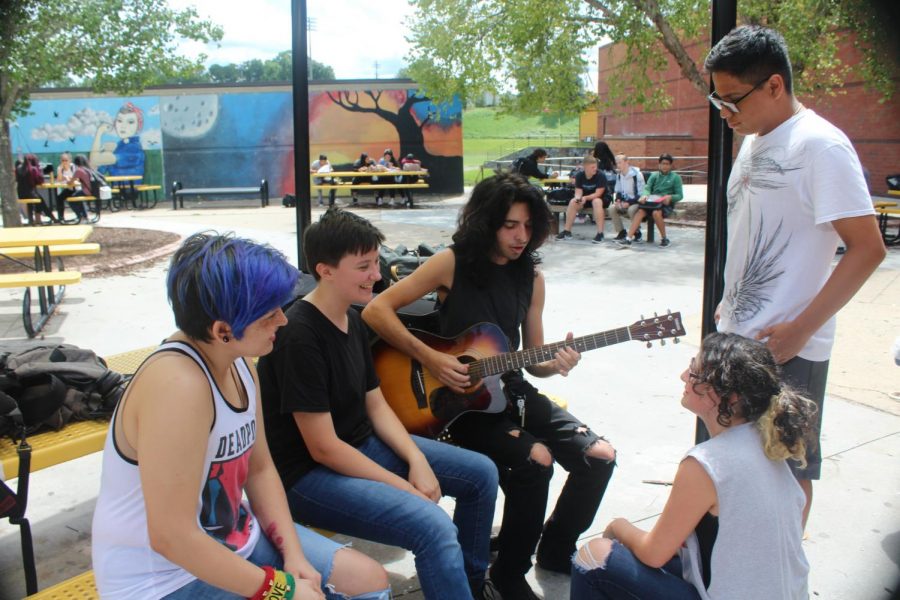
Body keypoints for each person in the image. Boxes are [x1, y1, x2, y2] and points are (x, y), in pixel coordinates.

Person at [91, 232, 390, 600]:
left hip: (235, 541)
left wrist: (293, 554)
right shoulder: (177, 386)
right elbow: (172, 536)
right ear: (222, 330)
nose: (283, 320)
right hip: (164, 580)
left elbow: (260, 470)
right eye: (269, 314)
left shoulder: (240, 365)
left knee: (369, 582)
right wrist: (281, 590)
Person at [363, 173, 617, 600]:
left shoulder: (532, 279)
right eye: (510, 226)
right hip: (458, 401)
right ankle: (508, 573)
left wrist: (558, 363)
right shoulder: (452, 262)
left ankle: (554, 549)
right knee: (536, 460)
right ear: (487, 222)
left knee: (599, 456)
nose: (521, 237)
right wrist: (432, 359)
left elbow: (535, 360)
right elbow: (376, 310)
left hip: (511, 388)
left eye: (529, 226)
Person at [257, 208, 500, 600]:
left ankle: (468, 585)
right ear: (326, 270)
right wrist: (404, 486)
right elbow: (323, 447)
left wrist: (417, 461)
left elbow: (376, 405)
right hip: (305, 475)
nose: (377, 274)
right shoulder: (299, 335)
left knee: (482, 474)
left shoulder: (353, 320)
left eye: (376, 262)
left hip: (361, 447)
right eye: (364, 266)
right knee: (432, 526)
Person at [705, 25, 886, 526]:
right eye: (717, 99)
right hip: (737, 339)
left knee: (786, 476)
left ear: (775, 86)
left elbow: (867, 248)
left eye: (734, 100)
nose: (726, 113)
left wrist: (801, 330)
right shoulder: (754, 141)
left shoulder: (821, 146)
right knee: (735, 474)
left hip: (788, 348)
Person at [570, 333, 814, 600]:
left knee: (594, 556)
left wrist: (618, 526)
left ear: (729, 398)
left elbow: (654, 553)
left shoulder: (706, 463)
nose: (684, 376)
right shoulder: (773, 439)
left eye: (696, 374)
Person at [618, 153, 682, 248]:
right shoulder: (654, 175)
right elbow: (647, 188)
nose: (664, 166)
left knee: (656, 213)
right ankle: (628, 238)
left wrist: (670, 197)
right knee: (640, 211)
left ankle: (664, 239)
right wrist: (645, 196)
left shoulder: (676, 177)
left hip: (665, 203)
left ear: (671, 165)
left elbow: (680, 195)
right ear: (659, 164)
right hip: (652, 202)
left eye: (667, 164)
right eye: (663, 163)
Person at [555, 156, 608, 243]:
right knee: (573, 201)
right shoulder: (579, 175)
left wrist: (585, 198)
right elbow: (578, 192)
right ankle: (567, 231)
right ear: (585, 167)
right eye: (592, 167)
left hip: (600, 199)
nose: (595, 169)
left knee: (596, 202)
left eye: (596, 166)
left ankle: (600, 233)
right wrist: (578, 198)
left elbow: (598, 194)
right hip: (585, 199)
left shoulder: (600, 175)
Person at [90, 100, 146, 179]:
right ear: (115, 123)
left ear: (138, 126)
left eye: (130, 122)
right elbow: (96, 168)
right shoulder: (120, 146)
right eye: (119, 121)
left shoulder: (134, 148)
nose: (123, 126)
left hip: (129, 190)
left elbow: (94, 160)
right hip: (115, 189)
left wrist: (99, 132)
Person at [607, 155, 645, 241]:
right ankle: (621, 232)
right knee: (612, 208)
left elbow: (641, 193)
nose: (618, 165)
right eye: (616, 163)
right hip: (624, 201)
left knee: (631, 210)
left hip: (636, 202)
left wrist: (628, 203)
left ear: (627, 162)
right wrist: (618, 200)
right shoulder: (619, 175)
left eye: (620, 163)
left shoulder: (637, 175)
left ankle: (637, 233)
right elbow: (619, 190)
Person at [15, 153, 54, 224]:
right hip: (30, 193)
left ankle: (32, 220)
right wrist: (39, 170)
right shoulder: (33, 169)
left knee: (35, 200)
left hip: (20, 194)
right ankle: (52, 217)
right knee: (40, 201)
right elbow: (40, 181)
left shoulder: (18, 168)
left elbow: (17, 179)